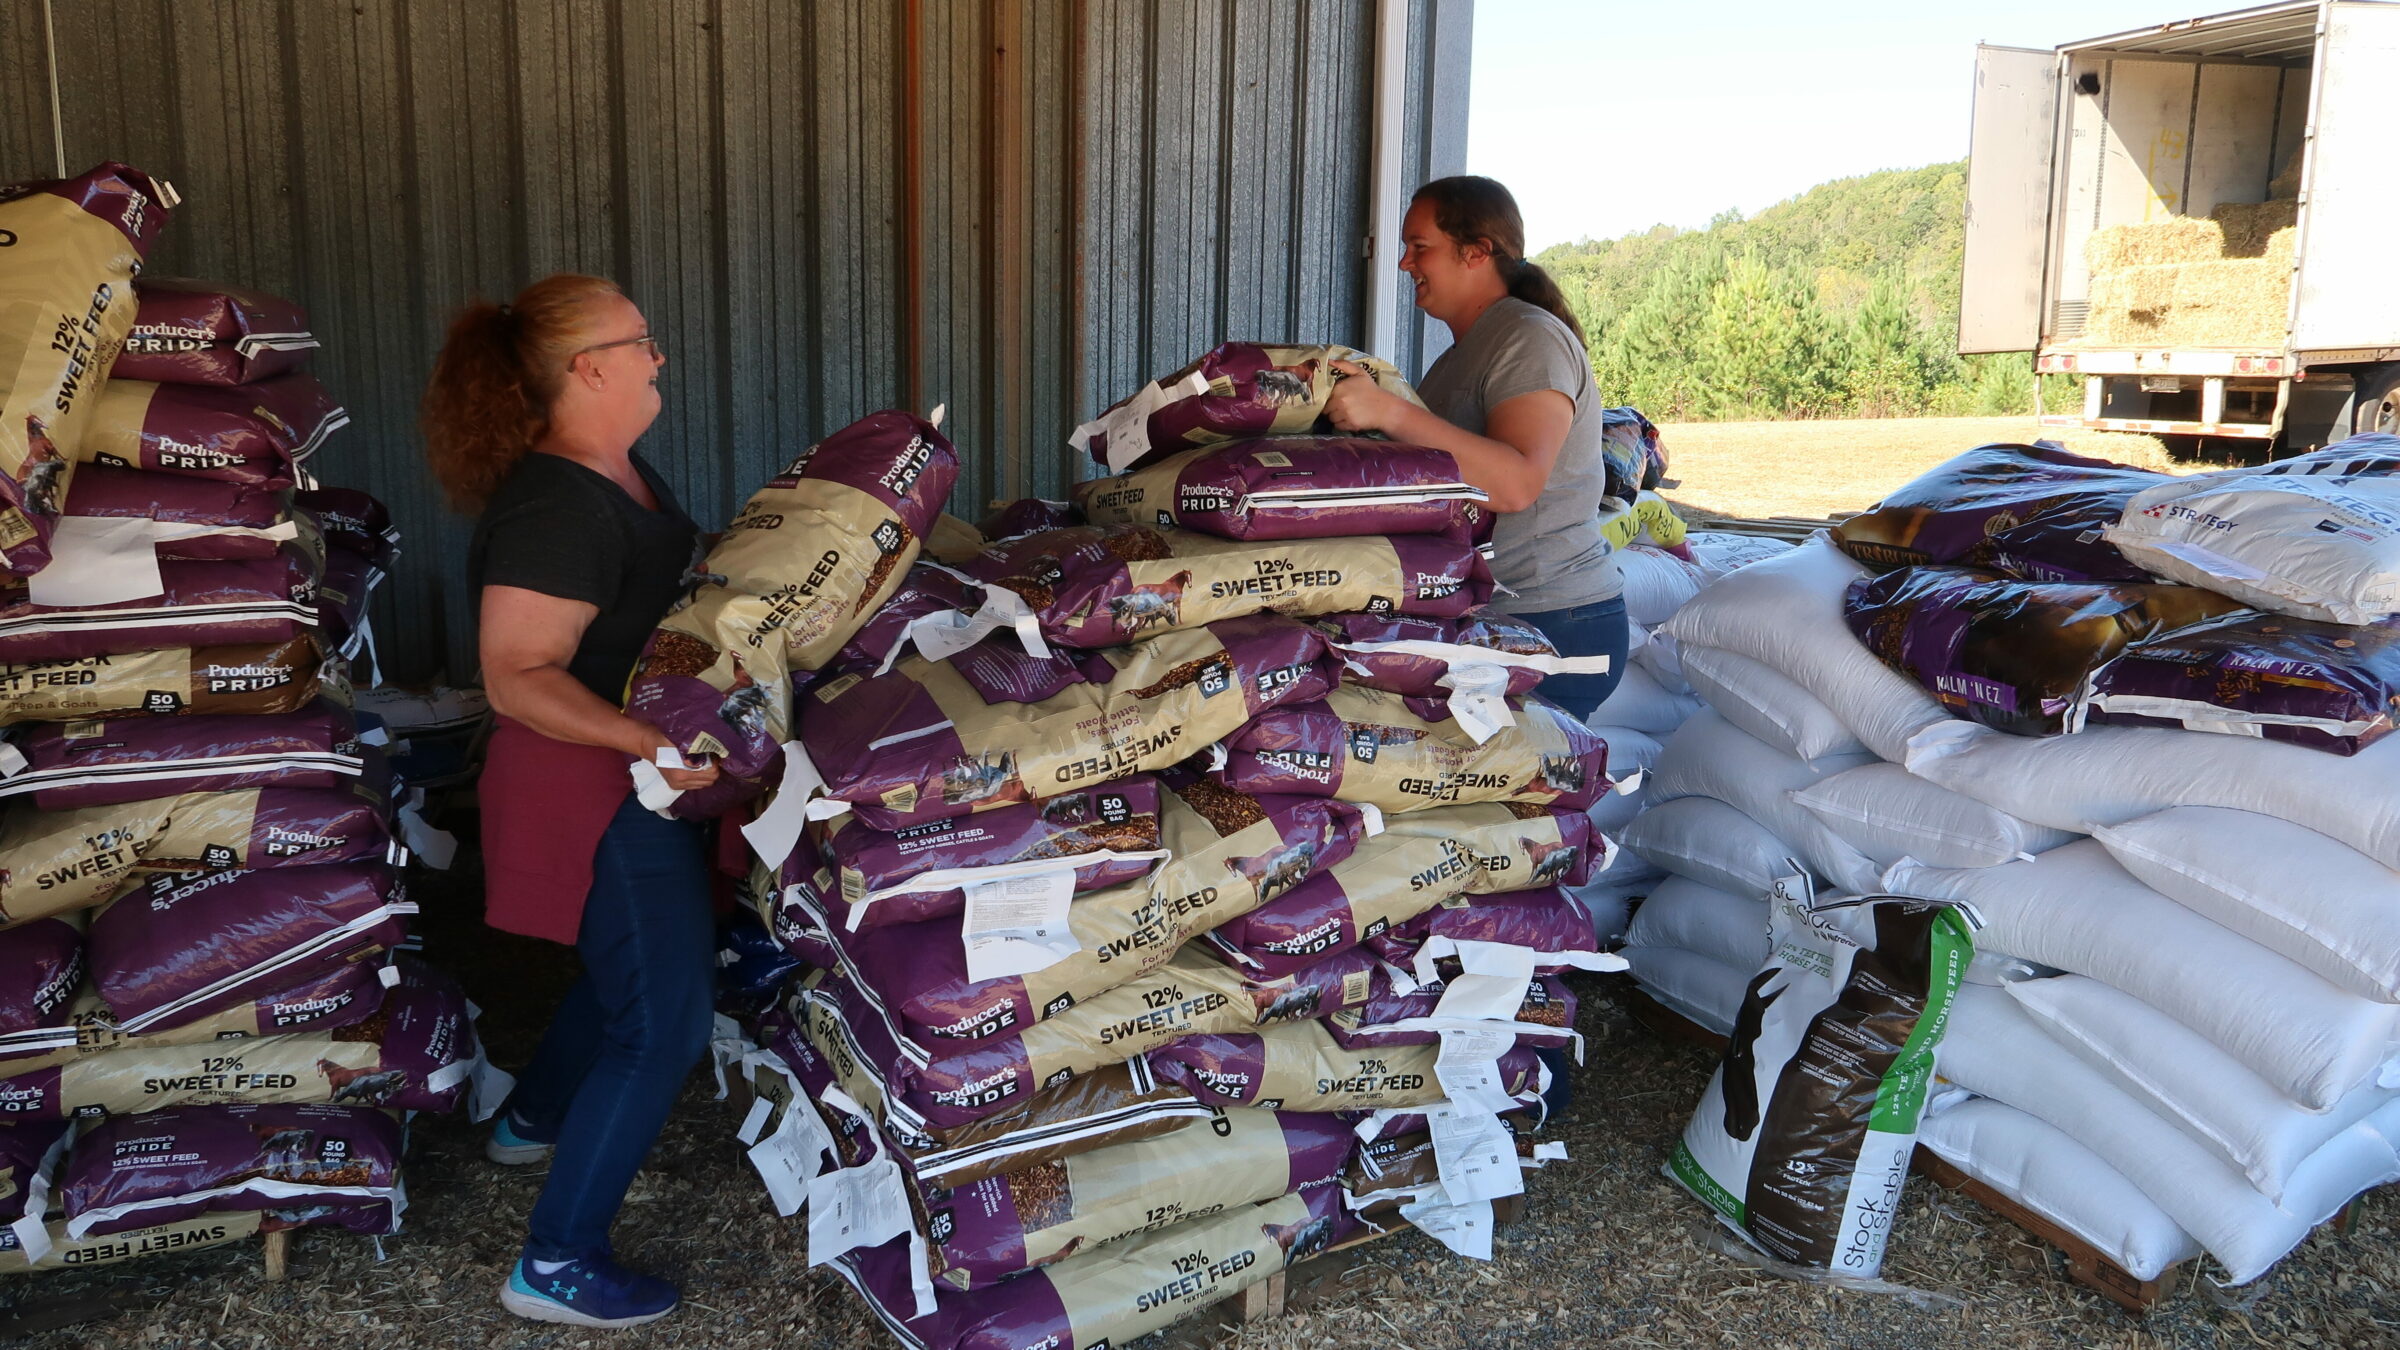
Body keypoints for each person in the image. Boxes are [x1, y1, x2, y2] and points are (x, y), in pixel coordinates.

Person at [422, 274, 721, 1329]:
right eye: (642, 340)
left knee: (629, 969)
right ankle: (554, 1263)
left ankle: (533, 1118)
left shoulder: (615, 471)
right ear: (587, 367)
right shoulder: (557, 503)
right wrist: (651, 738)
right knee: (669, 1016)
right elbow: (516, 674)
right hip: (588, 788)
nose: (658, 358)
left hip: (624, 776)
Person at [1325, 175, 1628, 722]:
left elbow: (1515, 484)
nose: (1404, 264)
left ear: (1477, 252)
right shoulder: (1466, 352)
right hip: (1496, 617)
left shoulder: (1528, 338)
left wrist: (1390, 413)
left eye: (1420, 247)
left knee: (1514, 801)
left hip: (1549, 620)